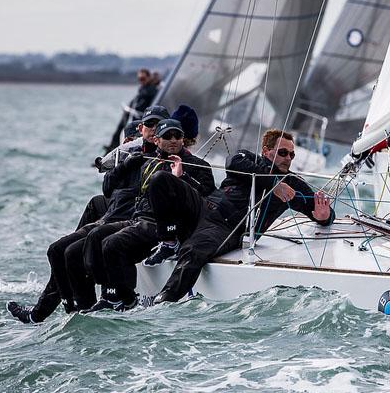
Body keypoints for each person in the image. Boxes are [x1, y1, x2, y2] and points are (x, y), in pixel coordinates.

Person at [4, 112, 164, 323]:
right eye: (148, 125)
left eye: (157, 126)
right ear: (140, 130)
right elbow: (108, 190)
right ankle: (70, 307)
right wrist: (124, 164)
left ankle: (73, 307)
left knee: (72, 252)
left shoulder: (161, 159)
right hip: (111, 215)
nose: (128, 143)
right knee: (58, 249)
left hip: (128, 221)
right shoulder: (127, 156)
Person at [143, 129, 335, 304]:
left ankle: (163, 300)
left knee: (194, 249)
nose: (288, 159)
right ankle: (168, 241)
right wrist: (274, 184)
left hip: (227, 227)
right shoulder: (248, 159)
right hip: (204, 207)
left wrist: (325, 217)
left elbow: (318, 210)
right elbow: (233, 162)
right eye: (283, 153)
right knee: (161, 179)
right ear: (266, 151)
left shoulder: (293, 183)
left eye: (292, 155)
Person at [80, 119, 216, 312]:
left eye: (178, 136)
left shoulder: (197, 165)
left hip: (166, 225)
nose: (174, 140)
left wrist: (182, 177)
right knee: (96, 236)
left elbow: (207, 197)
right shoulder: (148, 162)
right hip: (139, 219)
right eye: (167, 136)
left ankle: (127, 301)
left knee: (112, 244)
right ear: (157, 140)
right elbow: (116, 191)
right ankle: (110, 295)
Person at [106, 68, 158, 152]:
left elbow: (143, 105)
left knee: (127, 135)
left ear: (149, 78)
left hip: (139, 118)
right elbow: (135, 102)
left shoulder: (151, 90)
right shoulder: (143, 89)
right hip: (132, 116)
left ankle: (116, 150)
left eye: (143, 79)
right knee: (119, 131)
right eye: (139, 79)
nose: (141, 81)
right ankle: (110, 151)